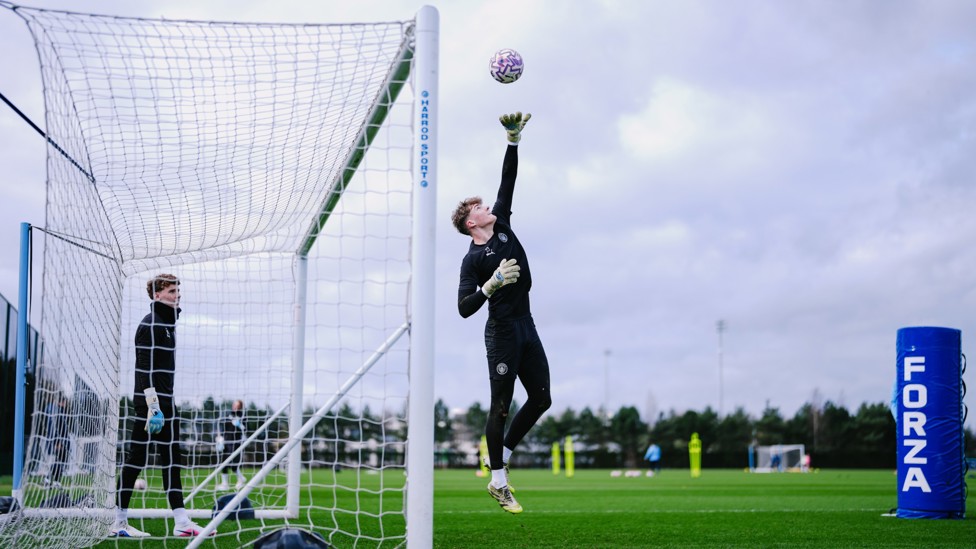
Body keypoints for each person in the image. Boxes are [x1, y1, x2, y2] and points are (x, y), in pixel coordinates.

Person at [452, 112, 551, 514]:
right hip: (502, 333)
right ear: (471, 222)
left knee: (542, 399)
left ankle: (501, 452)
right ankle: (498, 481)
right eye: (478, 206)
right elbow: (463, 309)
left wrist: (513, 140)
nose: (487, 204)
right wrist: (490, 285)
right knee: (501, 406)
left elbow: (507, 180)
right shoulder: (472, 260)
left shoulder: (504, 223)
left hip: (527, 324)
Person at [111, 274, 214, 538]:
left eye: (178, 290)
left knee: (171, 461)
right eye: (171, 291)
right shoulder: (150, 324)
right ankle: (119, 522)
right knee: (136, 460)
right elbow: (143, 370)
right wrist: (152, 406)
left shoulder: (168, 324)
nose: (177, 295)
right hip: (151, 403)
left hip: (167, 403)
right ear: (157, 295)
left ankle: (182, 522)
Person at [215, 399, 248, 491]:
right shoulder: (228, 416)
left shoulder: (243, 416)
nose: (235, 407)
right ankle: (225, 484)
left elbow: (245, 429)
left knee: (232, 463)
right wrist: (220, 437)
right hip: (226, 441)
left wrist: (239, 425)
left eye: (237, 406)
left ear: (240, 407)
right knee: (223, 463)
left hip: (236, 442)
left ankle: (240, 479)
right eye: (234, 405)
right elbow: (223, 428)